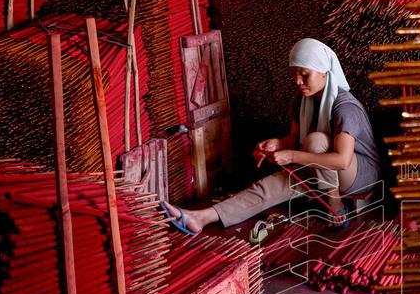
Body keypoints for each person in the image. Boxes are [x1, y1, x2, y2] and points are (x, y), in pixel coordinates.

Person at [162, 38, 381, 233]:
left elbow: (342, 161)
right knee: (273, 185)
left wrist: (292, 156)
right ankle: (201, 217)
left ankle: (335, 204)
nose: (298, 81)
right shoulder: (302, 101)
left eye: (305, 74)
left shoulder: (345, 107)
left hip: (360, 174)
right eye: (294, 74)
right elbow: (295, 140)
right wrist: (277, 144)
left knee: (315, 141)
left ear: (324, 71)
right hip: (323, 168)